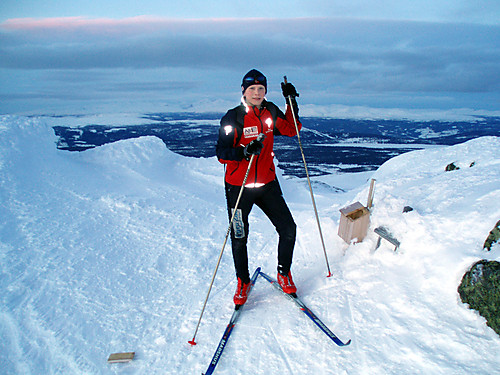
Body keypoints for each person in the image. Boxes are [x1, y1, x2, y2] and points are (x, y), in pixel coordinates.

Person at [216, 69, 302, 306]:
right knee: (239, 236)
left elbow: (292, 129)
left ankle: (284, 275)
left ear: (265, 91)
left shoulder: (271, 111)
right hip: (239, 187)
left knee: (288, 229)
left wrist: (291, 102)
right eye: (252, 89)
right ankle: (243, 282)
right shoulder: (232, 118)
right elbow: (221, 153)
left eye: (261, 89)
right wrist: (243, 152)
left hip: (267, 184)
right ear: (243, 91)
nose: (257, 93)